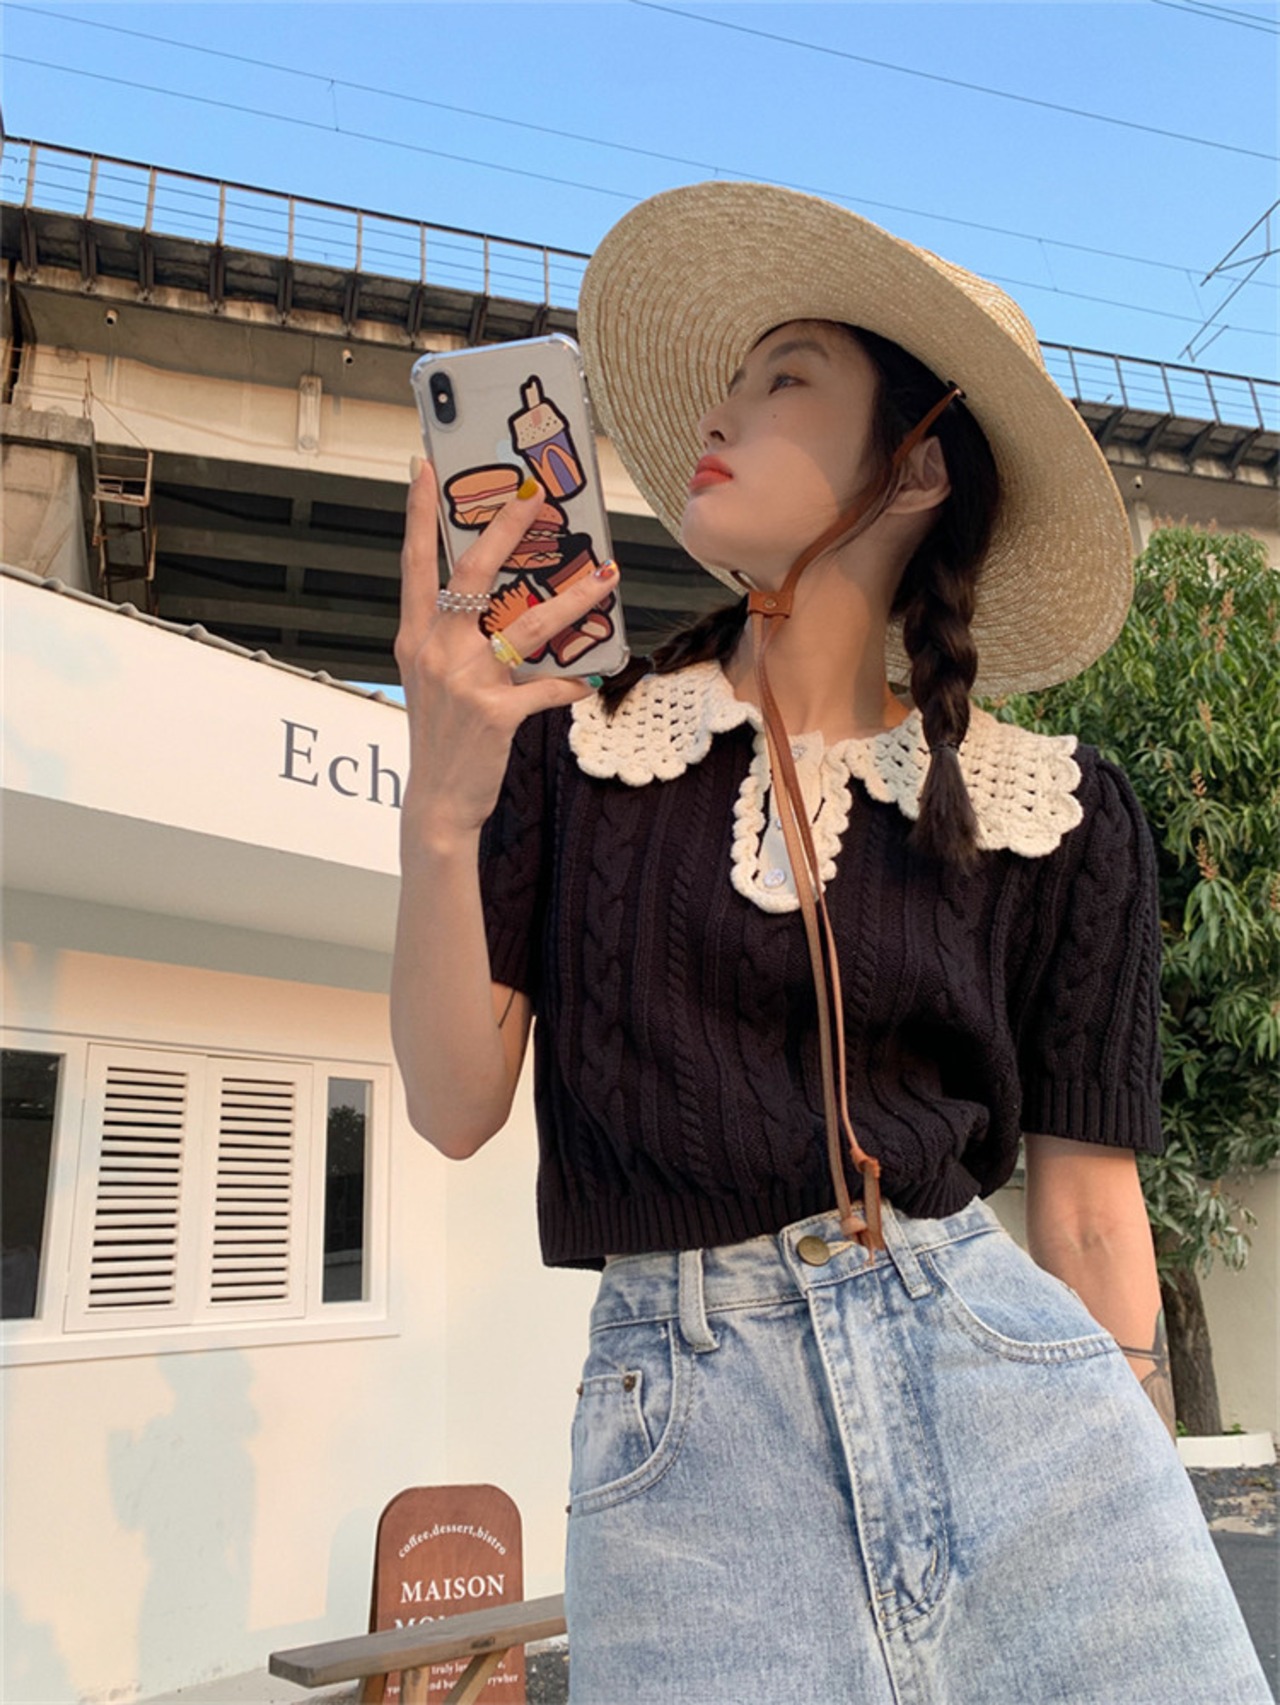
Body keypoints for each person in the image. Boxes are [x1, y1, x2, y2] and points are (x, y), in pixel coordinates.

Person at [391, 182, 1270, 1704]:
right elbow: (454, 1103)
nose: (721, 411)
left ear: (915, 463)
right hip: (693, 1430)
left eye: (784, 377)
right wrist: (443, 806)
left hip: (1016, 1392)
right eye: (729, 379)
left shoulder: (1057, 814)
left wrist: (1135, 1477)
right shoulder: (575, 758)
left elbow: (1086, 1213)